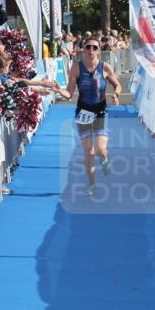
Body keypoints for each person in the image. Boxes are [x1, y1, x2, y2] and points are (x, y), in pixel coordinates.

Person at [56, 36, 122, 197]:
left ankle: (105, 159)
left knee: (99, 149)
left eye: (94, 47)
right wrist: (59, 90)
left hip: (100, 112)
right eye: (88, 47)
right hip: (83, 113)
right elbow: (69, 94)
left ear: (99, 50)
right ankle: (92, 185)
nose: (91, 50)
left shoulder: (105, 67)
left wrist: (116, 94)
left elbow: (117, 84)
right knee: (88, 151)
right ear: (83, 50)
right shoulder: (76, 67)